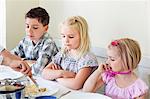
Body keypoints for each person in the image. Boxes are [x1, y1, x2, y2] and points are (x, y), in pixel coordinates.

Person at [42, 16, 98, 90]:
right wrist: (62, 73)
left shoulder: (87, 58)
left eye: (71, 37)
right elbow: (44, 73)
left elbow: (76, 84)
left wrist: (56, 77)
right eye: (63, 36)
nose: (66, 40)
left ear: (82, 37)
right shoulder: (63, 54)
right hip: (61, 91)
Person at [83, 38, 149, 99]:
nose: (107, 62)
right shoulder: (109, 76)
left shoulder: (138, 88)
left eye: (112, 59)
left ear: (126, 61)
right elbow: (86, 91)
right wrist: (98, 72)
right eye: (107, 58)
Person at [11, 7, 58, 75]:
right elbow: (11, 58)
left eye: (35, 28)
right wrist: (26, 61)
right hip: (30, 77)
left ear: (46, 28)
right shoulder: (26, 40)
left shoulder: (49, 43)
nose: (29, 31)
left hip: (46, 80)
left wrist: (21, 62)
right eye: (27, 26)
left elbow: (38, 70)